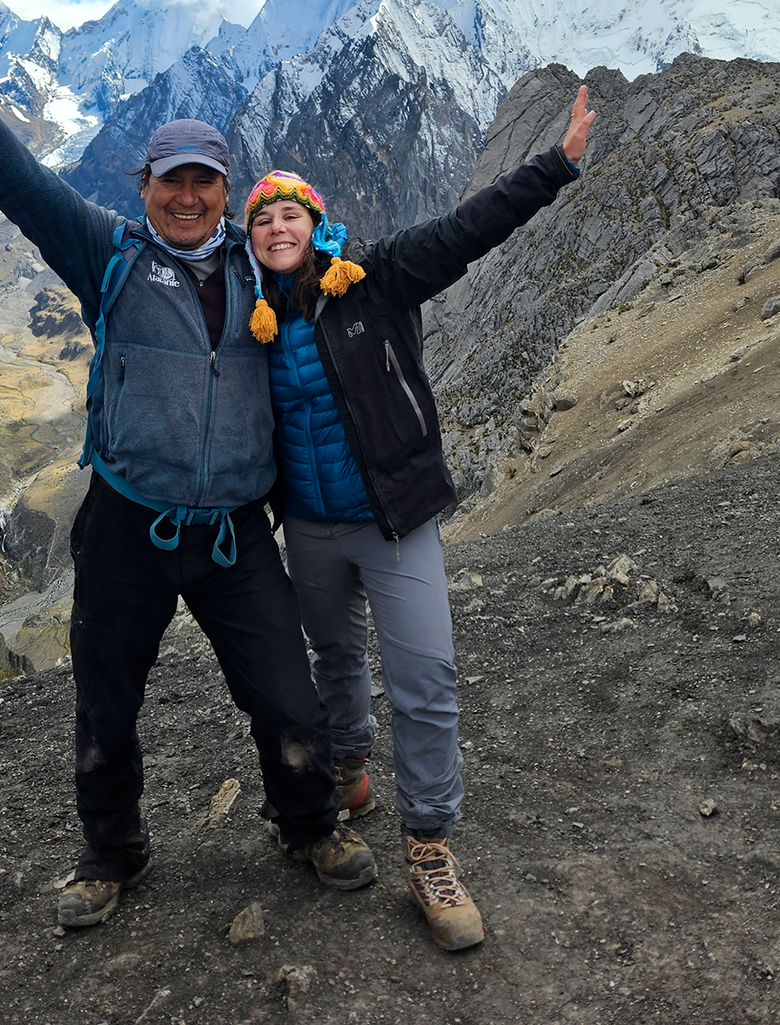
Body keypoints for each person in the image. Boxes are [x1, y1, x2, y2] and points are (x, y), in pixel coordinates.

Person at [0, 0, 376, 931]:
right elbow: (15, 176)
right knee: (105, 701)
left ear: (227, 191)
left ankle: (308, 819)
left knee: (286, 695)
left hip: (235, 530)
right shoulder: (104, 252)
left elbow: (371, 267)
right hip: (125, 523)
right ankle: (110, 850)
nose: (186, 197)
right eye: (170, 182)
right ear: (144, 185)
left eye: (204, 182)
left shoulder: (267, 266)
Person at [241, 85, 596, 951]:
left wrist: (555, 166)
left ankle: (430, 844)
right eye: (262, 221)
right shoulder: (242, 319)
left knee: (427, 679)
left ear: (315, 223)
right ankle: (352, 771)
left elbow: (468, 230)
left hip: (394, 520)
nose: (278, 228)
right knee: (332, 661)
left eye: (291, 214)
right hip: (310, 531)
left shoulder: (375, 277)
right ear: (248, 240)